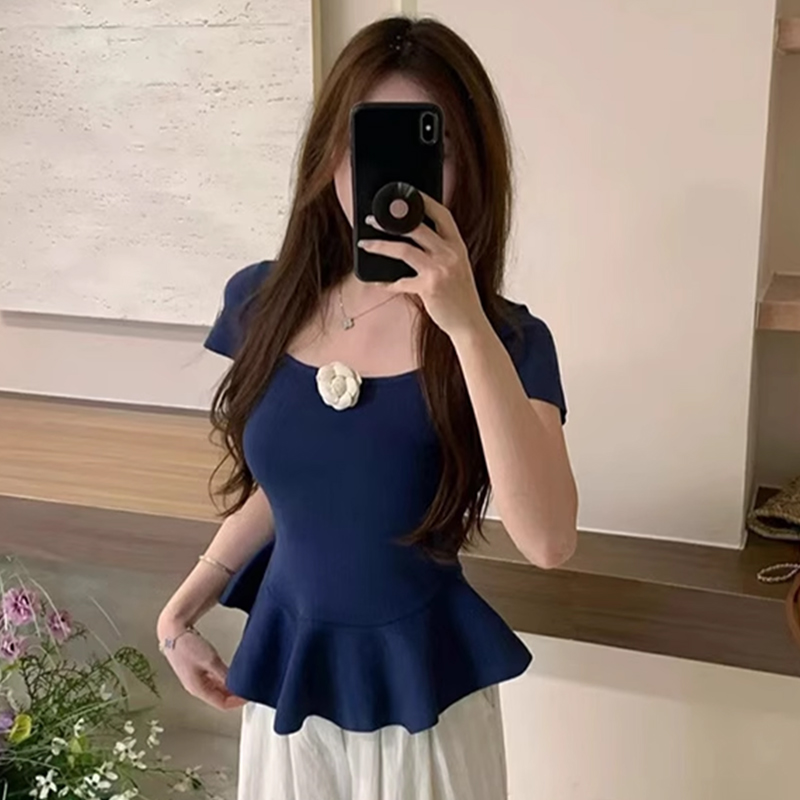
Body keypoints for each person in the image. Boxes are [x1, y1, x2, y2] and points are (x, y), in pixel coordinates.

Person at [156, 15, 578, 800]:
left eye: (429, 148)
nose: (395, 178)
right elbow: (296, 488)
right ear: (330, 157)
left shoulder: (509, 340)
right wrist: (184, 608)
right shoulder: (263, 301)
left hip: (425, 704)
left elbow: (549, 539)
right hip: (288, 685)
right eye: (367, 144)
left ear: (469, 166)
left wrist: (464, 324)